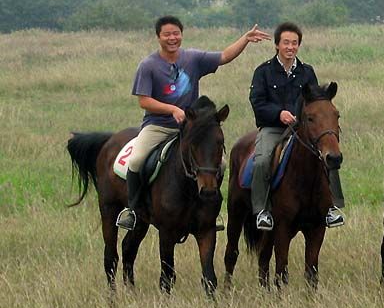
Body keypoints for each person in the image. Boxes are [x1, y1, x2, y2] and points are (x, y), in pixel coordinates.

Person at [116, 15, 271, 231]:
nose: (172, 38)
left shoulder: (193, 58)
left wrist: (245, 39)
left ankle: (212, 208)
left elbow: (225, 56)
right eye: (167, 34)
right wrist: (172, 109)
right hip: (158, 125)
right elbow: (144, 101)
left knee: (221, 163)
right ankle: (132, 210)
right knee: (137, 160)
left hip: (192, 129)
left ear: (181, 34)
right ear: (158, 37)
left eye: (176, 33)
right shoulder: (148, 65)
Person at [250, 21, 345, 231]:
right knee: (262, 160)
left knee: (329, 155)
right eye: (286, 43)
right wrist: (279, 114)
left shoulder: (307, 72)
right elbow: (257, 102)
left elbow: (317, 102)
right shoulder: (263, 72)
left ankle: (331, 208)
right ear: (277, 45)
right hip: (273, 128)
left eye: (294, 43)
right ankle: (262, 210)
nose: (290, 47)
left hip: (302, 129)